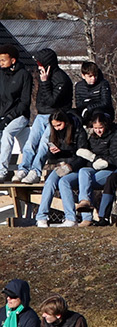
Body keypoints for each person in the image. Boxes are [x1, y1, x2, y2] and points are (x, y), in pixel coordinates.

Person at [18, 49, 73, 182]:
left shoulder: (61, 79)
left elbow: (52, 101)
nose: (38, 66)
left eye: (40, 63)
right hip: (41, 115)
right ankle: (23, 169)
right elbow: (41, 99)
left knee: (44, 143)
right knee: (30, 143)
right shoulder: (43, 76)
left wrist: (45, 82)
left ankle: (35, 172)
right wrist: (43, 82)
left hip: (55, 116)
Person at [32, 110, 84, 228]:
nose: (57, 128)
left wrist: (70, 165)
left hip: (75, 167)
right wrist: (53, 153)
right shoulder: (54, 133)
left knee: (63, 182)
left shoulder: (78, 131)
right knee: (49, 182)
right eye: (54, 126)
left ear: (65, 122)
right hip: (61, 166)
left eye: (59, 125)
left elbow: (82, 155)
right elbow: (52, 158)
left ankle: (71, 218)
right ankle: (41, 217)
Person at [79, 109, 117, 226]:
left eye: (100, 128)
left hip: (109, 169)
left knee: (88, 182)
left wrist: (105, 161)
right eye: (95, 128)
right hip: (96, 167)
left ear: (105, 125)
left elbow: (116, 156)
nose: (98, 131)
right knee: (83, 171)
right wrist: (93, 159)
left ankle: (94, 215)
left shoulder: (113, 136)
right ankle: (84, 202)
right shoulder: (92, 138)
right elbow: (89, 158)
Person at [0, 47, 31, 180]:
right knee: (26, 143)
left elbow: (24, 102)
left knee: (7, 133)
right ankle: (26, 169)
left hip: (19, 116)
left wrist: (10, 117)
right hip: (3, 114)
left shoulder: (24, 75)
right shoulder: (1, 74)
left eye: (3, 60)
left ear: (12, 60)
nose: (0, 62)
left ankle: (2, 171)